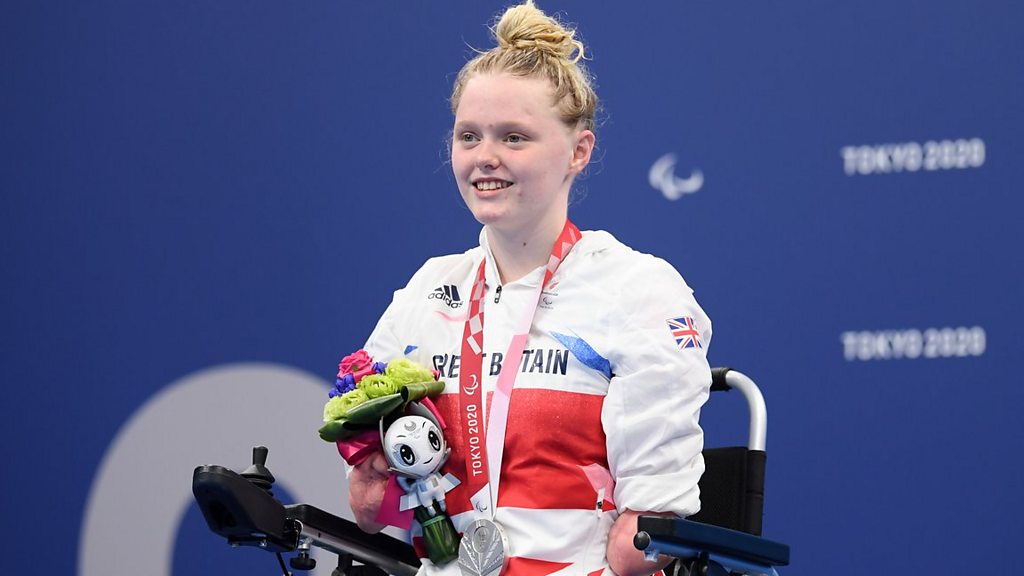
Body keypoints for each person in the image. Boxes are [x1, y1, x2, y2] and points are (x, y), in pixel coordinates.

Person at [346, 2, 712, 575]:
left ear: (579, 152)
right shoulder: (428, 292)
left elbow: (645, 534)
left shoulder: (637, 291)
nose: (485, 158)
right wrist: (372, 474)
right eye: (469, 136)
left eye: (514, 137)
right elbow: (372, 505)